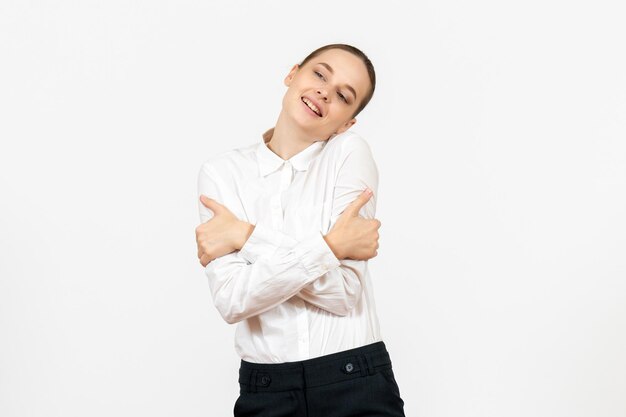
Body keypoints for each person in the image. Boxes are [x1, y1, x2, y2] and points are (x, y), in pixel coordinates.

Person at [196, 43, 406, 416]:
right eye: (319, 74)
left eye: (343, 96)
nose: (324, 91)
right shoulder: (222, 174)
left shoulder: (349, 154)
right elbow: (232, 300)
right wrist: (329, 247)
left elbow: (343, 292)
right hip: (267, 391)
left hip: (355, 379)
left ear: (346, 123)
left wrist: (246, 236)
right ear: (292, 74)